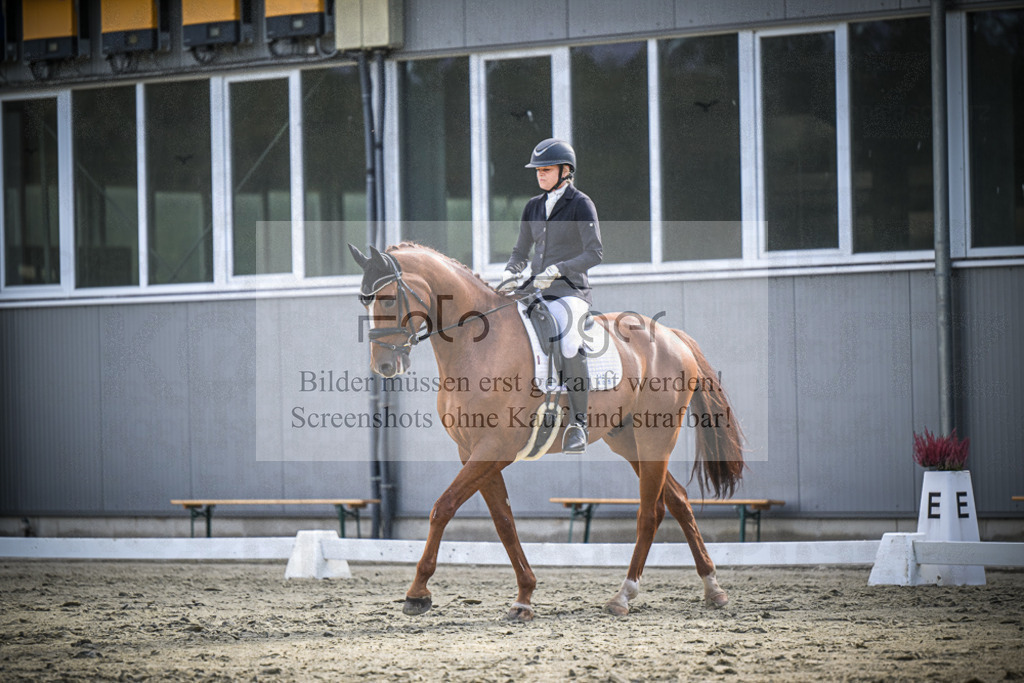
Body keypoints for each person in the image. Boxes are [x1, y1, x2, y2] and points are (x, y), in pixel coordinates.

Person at [498, 138, 603, 454]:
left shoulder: (580, 204)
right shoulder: (533, 206)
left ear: (565, 171)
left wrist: (559, 269)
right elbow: (520, 250)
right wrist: (510, 270)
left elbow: (594, 253)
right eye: (538, 170)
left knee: (570, 340)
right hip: (535, 290)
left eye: (546, 170)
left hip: (570, 291)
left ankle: (579, 424)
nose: (540, 175)